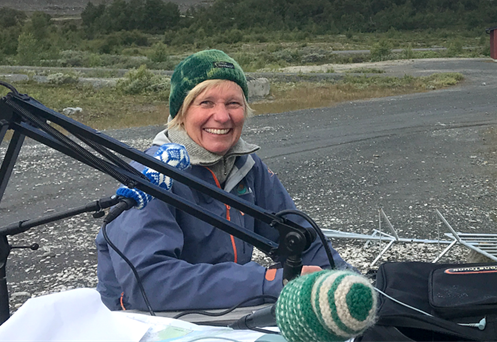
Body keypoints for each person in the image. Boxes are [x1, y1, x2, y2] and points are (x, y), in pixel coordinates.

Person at [95, 49, 352, 311]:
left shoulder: (246, 166)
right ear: (180, 112)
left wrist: (348, 283)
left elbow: (298, 239)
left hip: (222, 309)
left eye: (233, 103)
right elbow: (149, 283)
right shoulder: (150, 175)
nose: (222, 116)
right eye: (206, 103)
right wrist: (270, 282)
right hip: (145, 321)